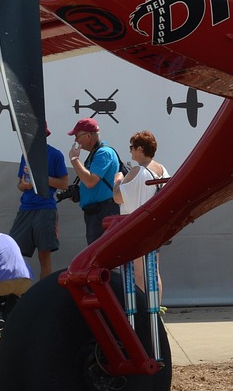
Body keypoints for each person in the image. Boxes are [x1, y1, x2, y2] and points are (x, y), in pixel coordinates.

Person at [113, 130, 170, 305]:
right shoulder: (162, 170)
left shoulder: (137, 171)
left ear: (139, 149)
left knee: (138, 272)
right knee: (154, 272)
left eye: (131, 147)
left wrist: (118, 179)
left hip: (136, 227)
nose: (130, 151)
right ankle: (156, 309)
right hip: (155, 227)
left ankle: (142, 311)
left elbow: (118, 197)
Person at [12, 126, 70, 279]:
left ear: (44, 135)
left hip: (46, 208)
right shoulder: (26, 155)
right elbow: (20, 185)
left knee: (44, 256)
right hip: (25, 208)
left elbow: (64, 183)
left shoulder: (55, 154)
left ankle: (43, 292)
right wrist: (24, 185)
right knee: (13, 251)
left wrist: (40, 178)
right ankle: (20, 290)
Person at [67, 118, 120, 244]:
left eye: (77, 136)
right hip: (96, 212)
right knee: (98, 250)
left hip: (103, 212)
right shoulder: (96, 153)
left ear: (88, 136)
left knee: (101, 251)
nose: (75, 140)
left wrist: (74, 159)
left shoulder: (103, 153)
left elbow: (90, 182)